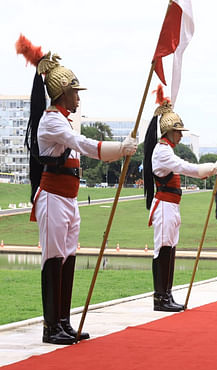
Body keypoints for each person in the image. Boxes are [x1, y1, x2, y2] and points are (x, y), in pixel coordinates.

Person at [17, 36, 137, 344]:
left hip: (68, 198)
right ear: (61, 93)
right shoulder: (52, 123)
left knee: (68, 257)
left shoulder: (64, 121)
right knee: (53, 258)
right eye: (74, 92)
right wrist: (119, 149)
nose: (78, 98)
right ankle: (50, 326)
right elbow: (83, 146)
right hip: (54, 196)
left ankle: (63, 321)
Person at [143, 86, 217, 312]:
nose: (180, 135)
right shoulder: (162, 151)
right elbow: (185, 167)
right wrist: (211, 168)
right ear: (168, 131)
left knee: (170, 249)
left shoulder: (167, 149)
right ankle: (160, 296)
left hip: (172, 206)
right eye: (178, 131)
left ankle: (167, 294)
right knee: (163, 249)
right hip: (164, 206)